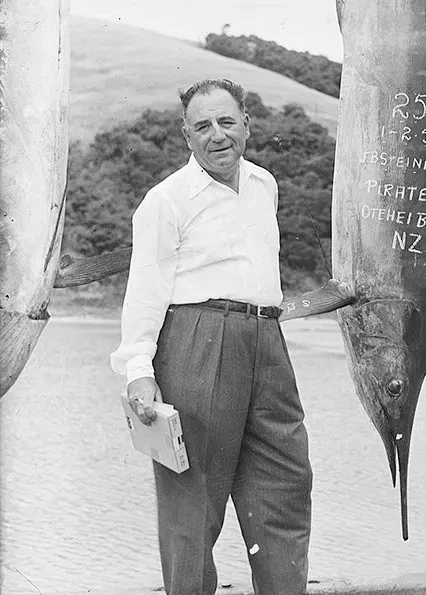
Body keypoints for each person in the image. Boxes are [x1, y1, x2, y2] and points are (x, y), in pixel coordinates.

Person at [110, 78, 312, 595]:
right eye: (202, 126)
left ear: (247, 123)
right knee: (192, 504)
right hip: (198, 341)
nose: (217, 135)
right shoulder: (165, 201)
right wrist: (139, 374)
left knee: (285, 486)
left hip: (267, 341)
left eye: (226, 121)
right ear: (186, 135)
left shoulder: (264, 183)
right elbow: (145, 290)